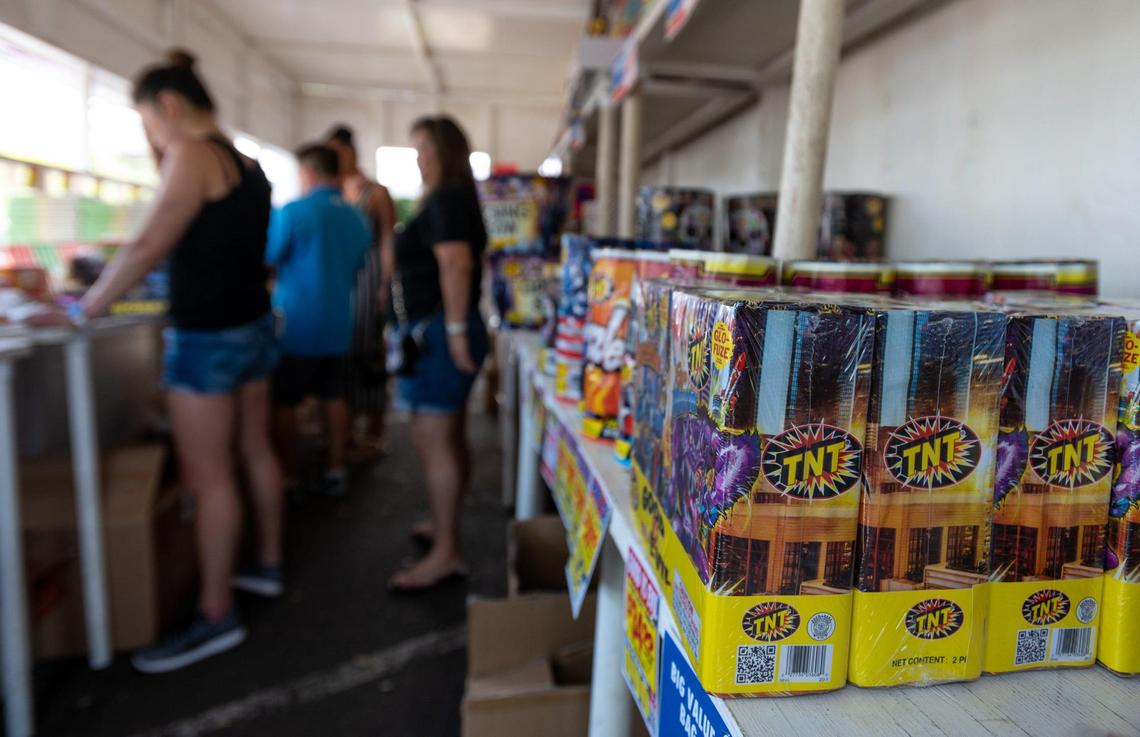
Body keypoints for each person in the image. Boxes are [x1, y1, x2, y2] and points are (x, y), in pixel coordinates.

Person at [67, 50, 285, 673]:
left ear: (168, 105)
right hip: (252, 328)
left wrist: (86, 308)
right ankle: (266, 564)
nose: (150, 138)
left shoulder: (192, 155)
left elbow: (150, 240)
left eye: (148, 123)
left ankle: (215, 614)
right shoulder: (249, 165)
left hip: (206, 341)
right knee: (256, 451)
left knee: (207, 478)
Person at [388, 115, 489, 592]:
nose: (418, 157)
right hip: (439, 329)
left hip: (439, 331)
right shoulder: (450, 197)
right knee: (447, 435)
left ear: (443, 151)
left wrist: (452, 332)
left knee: (434, 440)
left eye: (423, 148)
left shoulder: (447, 197)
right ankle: (444, 526)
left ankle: (447, 549)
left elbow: (455, 262)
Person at [267, 143, 371, 498]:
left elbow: (270, 256)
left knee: (285, 403)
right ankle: (335, 469)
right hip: (340, 322)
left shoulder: (293, 212)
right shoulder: (356, 217)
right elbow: (357, 266)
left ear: (308, 172)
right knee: (334, 396)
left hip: (298, 325)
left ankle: (291, 475)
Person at [326, 125, 397, 457]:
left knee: (369, 351)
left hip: (368, 279)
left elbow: (387, 240)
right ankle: (348, 429)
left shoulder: (375, 192)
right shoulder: (331, 193)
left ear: (351, 151)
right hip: (338, 281)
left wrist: (386, 283)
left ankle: (375, 430)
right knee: (342, 354)